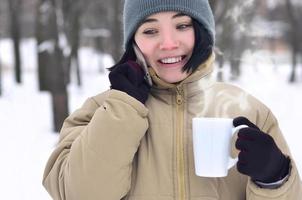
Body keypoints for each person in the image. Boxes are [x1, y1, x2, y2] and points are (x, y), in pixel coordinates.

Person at [42, 0, 302, 199]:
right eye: (150, 30)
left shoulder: (249, 109)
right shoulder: (101, 110)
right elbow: (79, 194)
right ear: (133, 42)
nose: (168, 44)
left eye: (182, 25)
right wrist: (122, 108)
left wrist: (275, 178)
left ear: (202, 31)